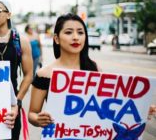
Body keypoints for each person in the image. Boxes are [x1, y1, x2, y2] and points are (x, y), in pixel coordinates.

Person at [28, 13, 156, 128]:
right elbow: (32, 113)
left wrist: (140, 107)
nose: (75, 37)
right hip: (58, 135)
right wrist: (38, 119)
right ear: (56, 38)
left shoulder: (94, 69)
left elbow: (110, 105)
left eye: (80, 32)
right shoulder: (44, 74)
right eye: (68, 32)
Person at [0, 0, 33, 139]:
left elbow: (29, 74)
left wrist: (17, 101)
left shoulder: (20, 41)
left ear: (8, 14)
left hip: (11, 105)